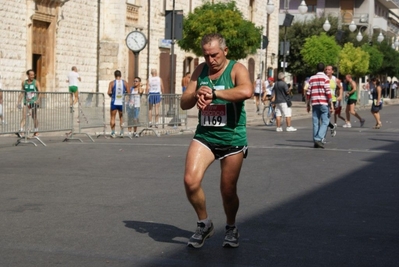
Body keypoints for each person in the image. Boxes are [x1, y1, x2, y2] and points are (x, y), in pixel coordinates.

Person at [180, 33, 252, 249]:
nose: (210, 60)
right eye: (206, 55)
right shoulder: (200, 70)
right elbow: (184, 102)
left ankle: (231, 227)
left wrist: (215, 93)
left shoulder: (237, 69)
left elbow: (247, 91)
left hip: (232, 137)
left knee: (227, 190)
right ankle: (204, 223)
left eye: (214, 55)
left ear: (225, 51)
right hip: (205, 135)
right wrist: (196, 94)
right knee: (190, 181)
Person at [306, 63, 333, 148]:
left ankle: (315, 141)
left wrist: (307, 104)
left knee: (315, 122)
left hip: (314, 103)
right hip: (323, 102)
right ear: (324, 69)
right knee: (325, 121)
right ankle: (318, 138)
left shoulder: (312, 78)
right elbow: (328, 91)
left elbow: (308, 92)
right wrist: (331, 104)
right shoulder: (325, 78)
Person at [17, 69, 41, 137]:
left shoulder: (36, 82)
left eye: (33, 75)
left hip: (34, 102)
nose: (32, 76)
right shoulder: (24, 83)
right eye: (31, 75)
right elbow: (22, 92)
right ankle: (21, 130)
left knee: (34, 116)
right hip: (26, 102)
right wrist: (18, 102)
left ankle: (36, 131)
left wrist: (38, 100)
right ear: (28, 75)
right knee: (24, 116)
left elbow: (40, 92)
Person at [107, 70, 129, 138]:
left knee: (112, 117)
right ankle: (122, 132)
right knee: (121, 117)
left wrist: (112, 96)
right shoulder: (125, 83)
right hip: (121, 102)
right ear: (120, 75)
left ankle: (113, 132)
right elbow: (128, 92)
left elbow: (109, 92)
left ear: (114, 75)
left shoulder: (112, 83)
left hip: (114, 101)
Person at [324, 65, 344, 137]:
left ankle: (323, 135)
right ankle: (332, 127)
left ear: (332, 71)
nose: (327, 71)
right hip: (324, 99)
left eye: (329, 70)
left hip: (332, 100)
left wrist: (340, 95)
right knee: (324, 118)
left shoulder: (335, 79)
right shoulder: (323, 78)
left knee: (325, 117)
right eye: (326, 69)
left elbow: (340, 88)